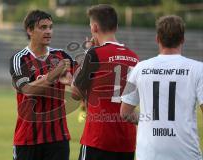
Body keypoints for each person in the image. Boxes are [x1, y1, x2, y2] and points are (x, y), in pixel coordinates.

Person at [120, 15, 203, 160]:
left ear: (157, 38)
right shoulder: (198, 69)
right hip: (186, 154)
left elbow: (124, 112)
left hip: (148, 154)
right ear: (183, 39)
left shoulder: (139, 68)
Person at [71, 4, 139, 160]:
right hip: (126, 141)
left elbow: (76, 93)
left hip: (98, 139)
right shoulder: (134, 57)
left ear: (94, 27)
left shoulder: (94, 54)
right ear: (116, 26)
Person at [9, 10, 74, 160]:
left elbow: (79, 83)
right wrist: (54, 74)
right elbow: (28, 89)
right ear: (29, 30)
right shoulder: (19, 59)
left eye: (50, 27)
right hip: (27, 139)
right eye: (43, 27)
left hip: (58, 139)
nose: (48, 31)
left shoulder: (62, 56)